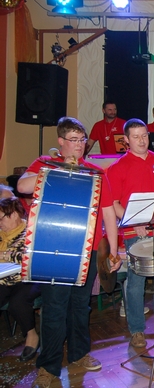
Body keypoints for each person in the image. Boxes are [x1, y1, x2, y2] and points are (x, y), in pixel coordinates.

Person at [18, 117, 121, 388]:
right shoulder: (46, 164)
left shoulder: (95, 172)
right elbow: (22, 187)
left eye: (82, 140)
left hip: (88, 250)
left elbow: (108, 213)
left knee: (80, 306)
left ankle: (79, 354)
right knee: (54, 309)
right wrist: (60, 168)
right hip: (55, 250)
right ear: (61, 142)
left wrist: (113, 250)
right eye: (73, 140)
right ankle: (48, 367)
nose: (79, 145)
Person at [106, 119, 154, 348]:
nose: (142, 140)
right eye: (136, 137)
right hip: (134, 233)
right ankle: (137, 330)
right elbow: (114, 204)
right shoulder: (117, 167)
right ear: (126, 140)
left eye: (145, 135)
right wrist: (133, 221)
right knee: (136, 283)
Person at [0, 197, 40, 362]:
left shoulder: (31, 231)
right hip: (4, 279)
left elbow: (30, 258)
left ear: (14, 215)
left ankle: (31, 335)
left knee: (18, 303)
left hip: (27, 278)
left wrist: (5, 255)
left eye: (1, 218)